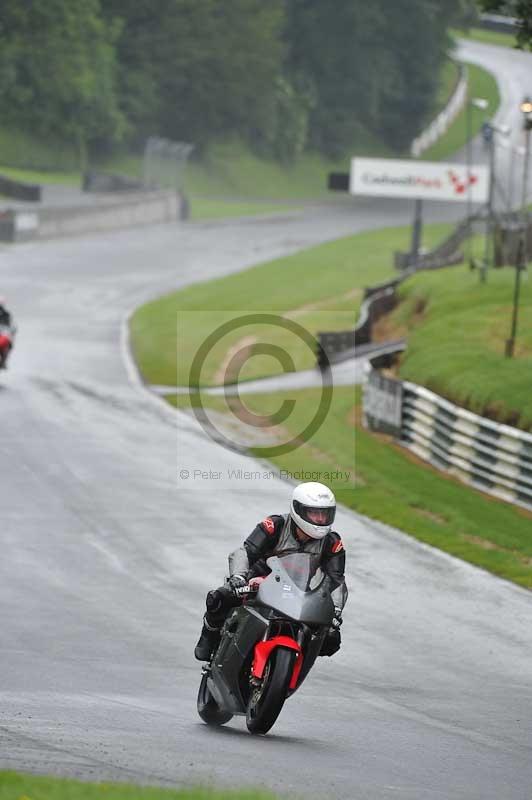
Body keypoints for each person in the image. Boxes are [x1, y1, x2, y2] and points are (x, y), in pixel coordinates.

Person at [194, 481, 347, 662]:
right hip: (256, 582)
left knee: (331, 638)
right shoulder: (274, 525)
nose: (321, 520)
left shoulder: (332, 543)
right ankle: (208, 637)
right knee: (219, 598)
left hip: (300, 593)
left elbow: (336, 580)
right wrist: (238, 577)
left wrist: (335, 608)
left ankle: (295, 662)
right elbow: (244, 552)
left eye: (325, 514)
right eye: (315, 513)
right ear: (298, 509)